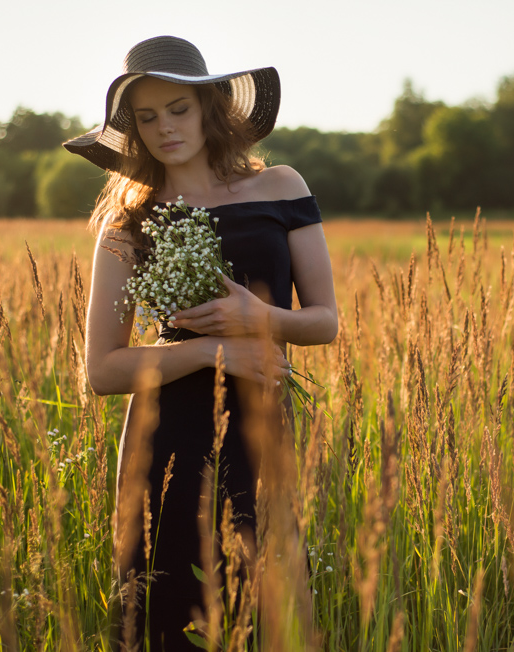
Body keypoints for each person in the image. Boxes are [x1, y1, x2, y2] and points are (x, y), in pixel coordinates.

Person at [64, 36, 338, 650]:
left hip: (262, 425)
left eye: (178, 109)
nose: (165, 128)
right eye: (148, 117)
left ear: (210, 106)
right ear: (133, 130)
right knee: (166, 613)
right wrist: (212, 352)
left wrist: (256, 315)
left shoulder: (281, 188)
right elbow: (101, 371)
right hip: (166, 439)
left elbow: (323, 322)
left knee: (269, 604)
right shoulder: (128, 222)